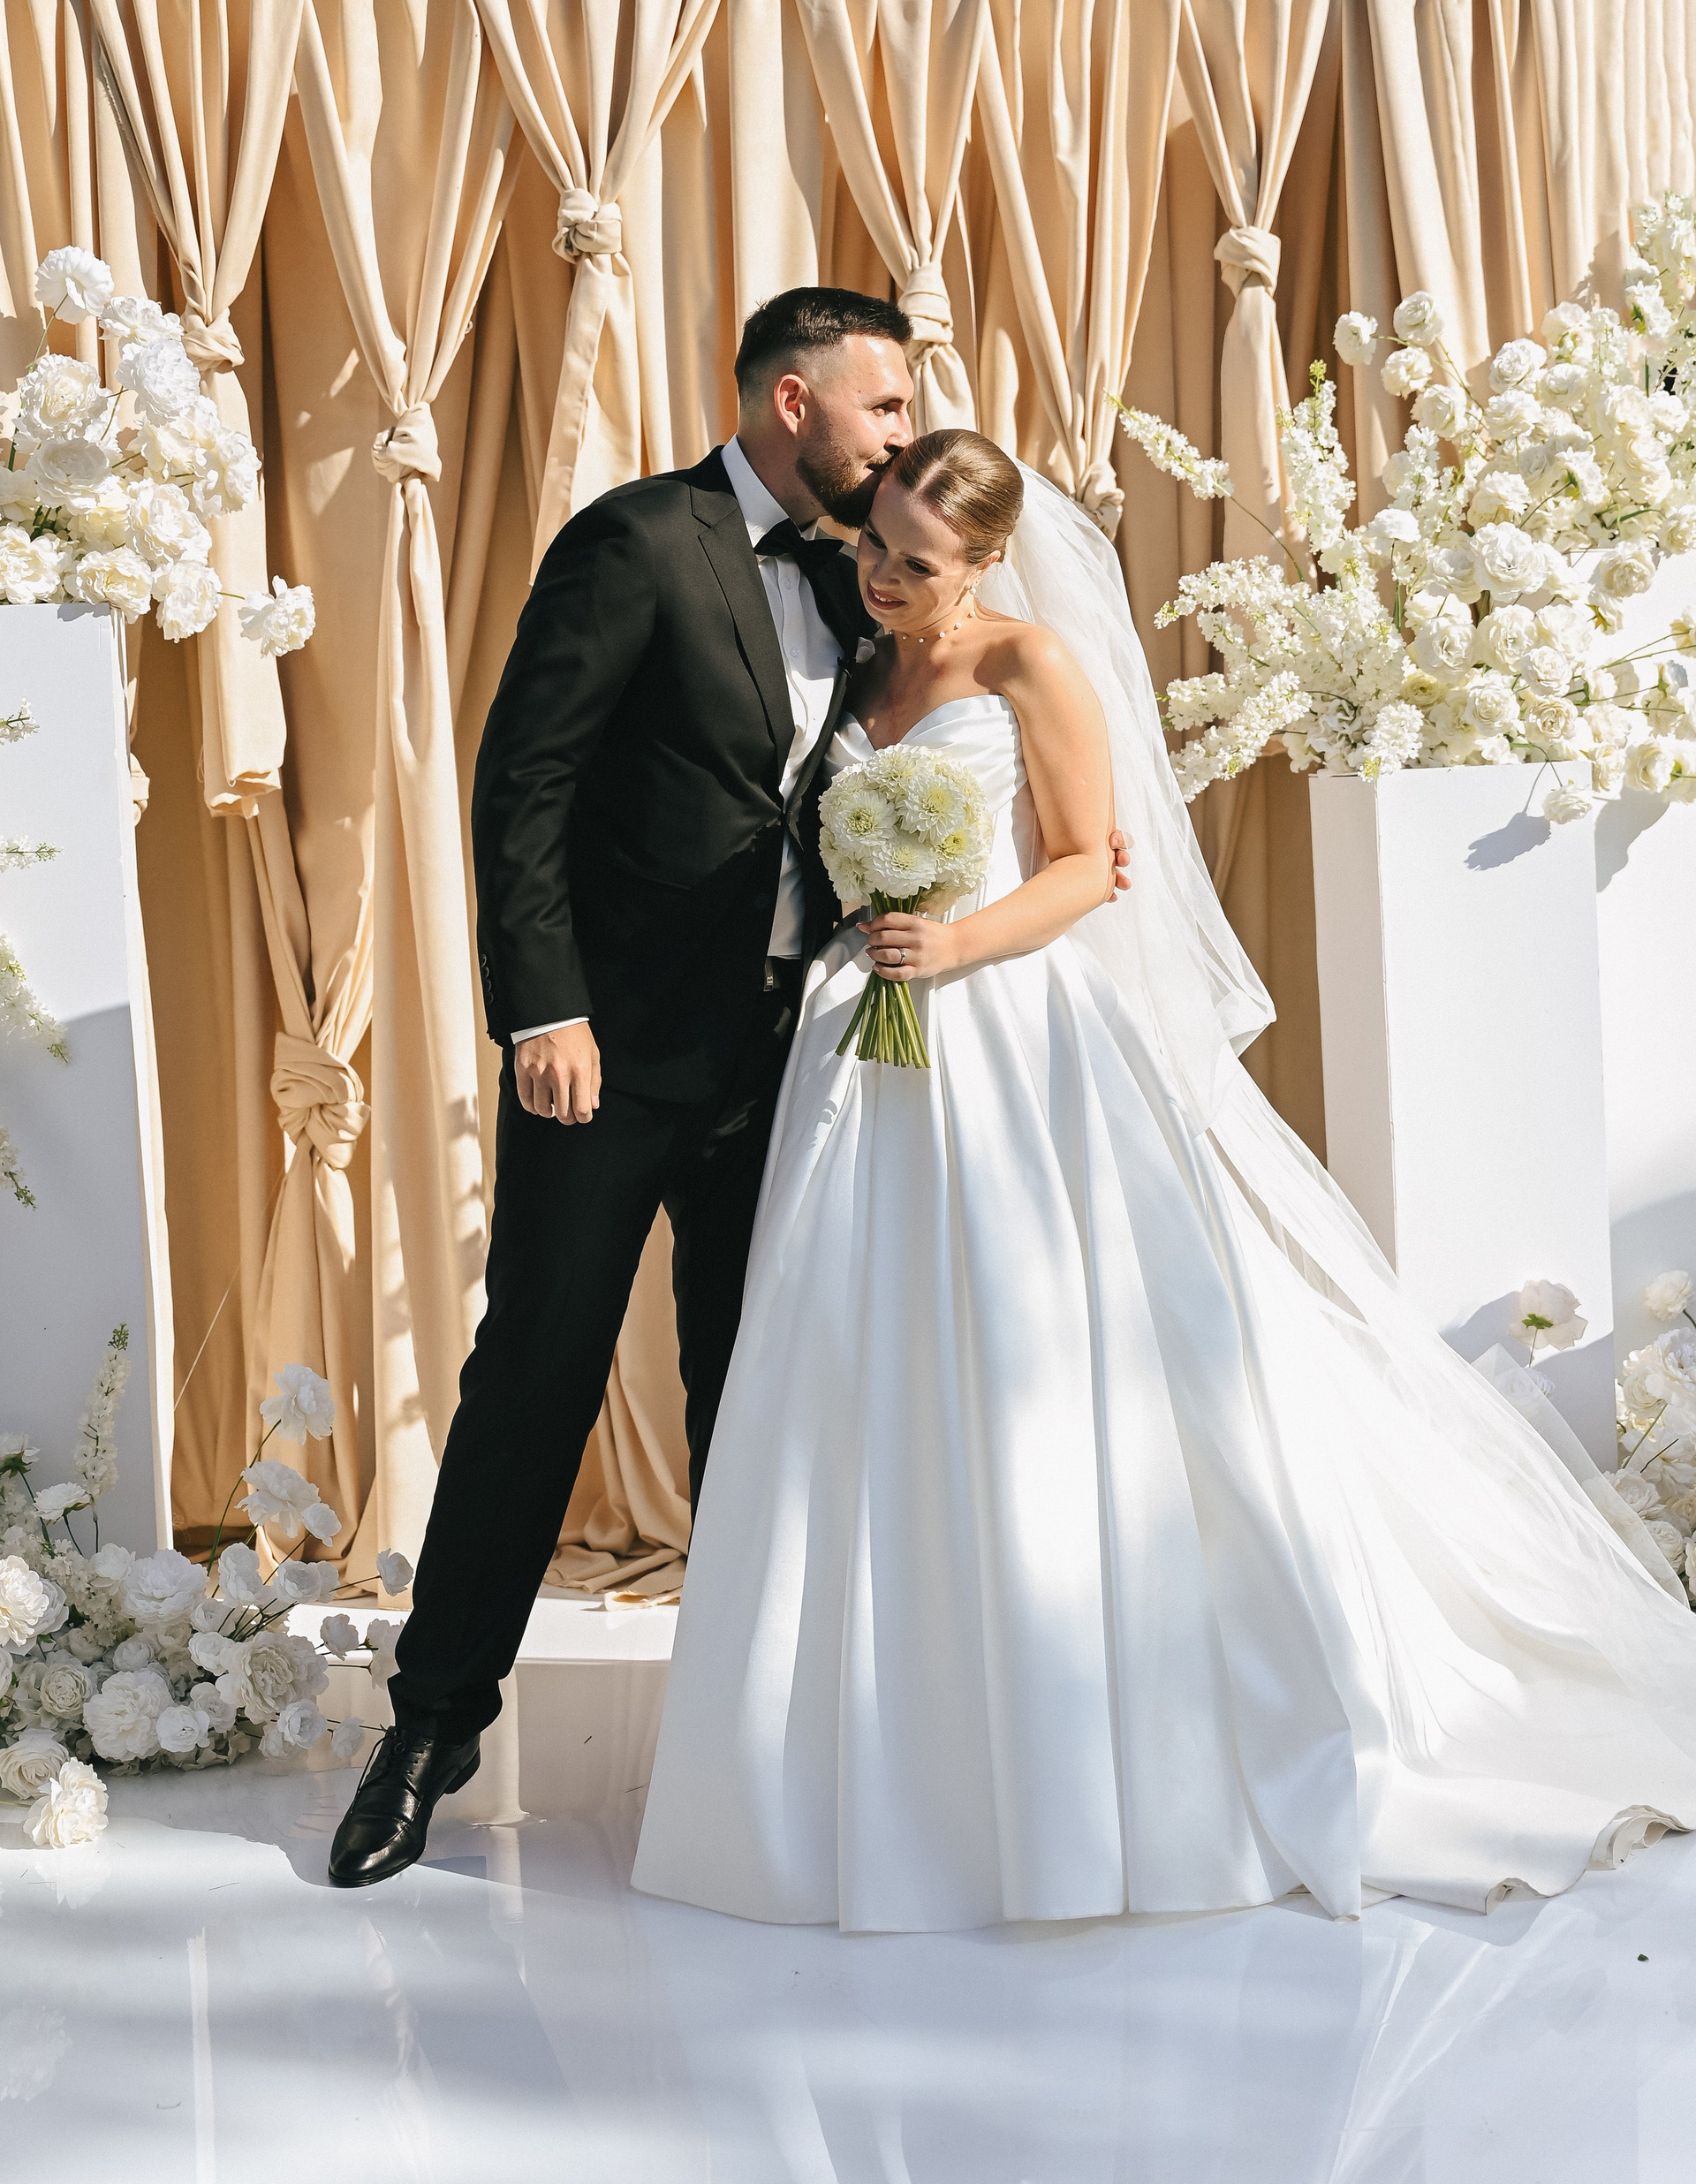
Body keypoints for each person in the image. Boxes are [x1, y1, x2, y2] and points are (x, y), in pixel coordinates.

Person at [632, 428, 1696, 1931]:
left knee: (1037, 1360)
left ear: (986, 561)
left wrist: (955, 939)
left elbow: (1088, 862)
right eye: (871, 544)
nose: (879, 575)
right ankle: (867, 1753)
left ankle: (1070, 1753)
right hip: (860, 1048)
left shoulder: (1032, 665)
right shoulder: (855, 670)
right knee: (852, 1361)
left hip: (1006, 1037)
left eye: (915, 561)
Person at [329, 298, 1130, 1889]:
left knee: (760, 1394)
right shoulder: (638, 540)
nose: (901, 433)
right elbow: (524, 780)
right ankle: (429, 1727)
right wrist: (544, 1008)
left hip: (799, 1063)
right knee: (537, 1371)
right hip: (608, 1058)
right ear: (793, 401)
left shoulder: (873, 577)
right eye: (883, 405)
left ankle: (762, 1744)